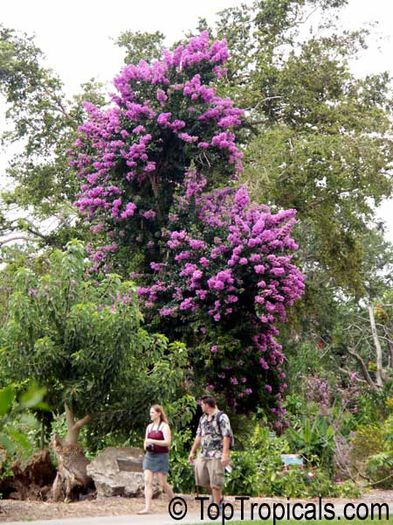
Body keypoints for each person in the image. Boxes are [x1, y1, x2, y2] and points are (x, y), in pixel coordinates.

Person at [188, 396, 232, 511]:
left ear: (207, 405)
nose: (201, 406)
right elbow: (198, 436)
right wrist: (192, 451)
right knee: (202, 479)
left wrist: (225, 455)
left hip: (216, 454)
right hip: (203, 454)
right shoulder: (203, 419)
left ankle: (216, 505)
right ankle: (219, 498)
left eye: (202, 404)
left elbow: (226, 436)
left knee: (215, 481)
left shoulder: (221, 417)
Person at [137, 404, 174, 514]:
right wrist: (146, 445)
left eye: (152, 412)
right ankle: (147, 508)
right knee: (147, 481)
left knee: (162, 483)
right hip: (150, 455)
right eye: (150, 412)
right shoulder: (149, 427)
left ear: (159, 413)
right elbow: (145, 440)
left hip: (161, 456)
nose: (151, 414)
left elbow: (167, 442)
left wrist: (153, 441)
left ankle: (174, 499)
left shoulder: (164, 426)